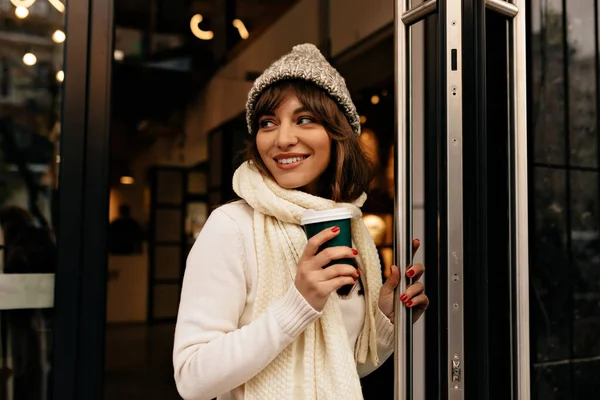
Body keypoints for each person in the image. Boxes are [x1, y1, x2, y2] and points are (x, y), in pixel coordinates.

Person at [173, 43, 428, 400]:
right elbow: (191, 378)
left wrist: (385, 321)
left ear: (337, 134)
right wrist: (299, 304)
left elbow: (337, 369)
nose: (283, 139)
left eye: (304, 119)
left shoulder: (348, 227)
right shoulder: (231, 226)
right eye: (268, 123)